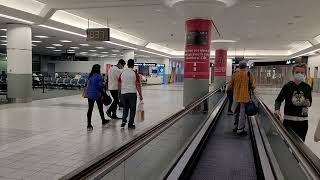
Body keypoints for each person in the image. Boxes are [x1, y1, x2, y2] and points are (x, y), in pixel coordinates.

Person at [274, 63, 312, 141]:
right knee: (288, 143)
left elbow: (310, 101)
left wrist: (308, 103)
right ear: (293, 73)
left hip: (303, 122)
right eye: (297, 72)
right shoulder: (287, 86)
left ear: (305, 74)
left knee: (300, 144)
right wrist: (277, 109)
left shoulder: (307, 87)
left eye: (302, 73)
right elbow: (278, 100)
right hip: (289, 121)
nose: (299, 74)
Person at [229, 61, 256, 136]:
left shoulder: (235, 74)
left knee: (235, 112)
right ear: (245, 66)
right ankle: (240, 129)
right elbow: (253, 85)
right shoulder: (248, 73)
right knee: (242, 113)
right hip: (245, 97)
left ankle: (235, 126)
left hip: (236, 96)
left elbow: (230, 85)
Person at [119, 59, 143, 129]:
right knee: (132, 109)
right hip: (132, 93)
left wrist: (119, 93)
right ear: (133, 65)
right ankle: (130, 124)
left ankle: (124, 120)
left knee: (125, 108)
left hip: (124, 93)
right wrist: (140, 95)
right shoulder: (135, 73)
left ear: (127, 64)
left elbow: (119, 84)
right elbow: (138, 85)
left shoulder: (122, 73)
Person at [86, 64, 109, 130]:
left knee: (90, 109)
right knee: (100, 108)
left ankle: (89, 124)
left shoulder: (90, 76)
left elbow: (89, 85)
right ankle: (103, 120)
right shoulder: (99, 77)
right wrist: (103, 84)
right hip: (97, 94)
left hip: (90, 94)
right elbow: (100, 86)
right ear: (98, 69)